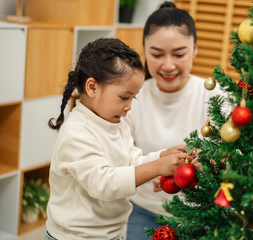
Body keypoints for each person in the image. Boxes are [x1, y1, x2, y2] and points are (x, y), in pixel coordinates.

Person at [45, 38, 190, 240]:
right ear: (92, 87)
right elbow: (104, 183)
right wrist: (157, 167)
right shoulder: (76, 132)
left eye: (134, 97)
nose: (129, 106)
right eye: (124, 97)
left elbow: (131, 161)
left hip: (114, 233)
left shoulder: (115, 123)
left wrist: (160, 158)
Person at [124, 2, 227, 239]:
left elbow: (238, 154)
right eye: (157, 54)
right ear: (144, 51)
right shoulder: (131, 98)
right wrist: (156, 169)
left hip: (201, 215)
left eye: (179, 54)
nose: (168, 65)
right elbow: (119, 158)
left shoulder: (216, 96)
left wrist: (210, 161)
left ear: (195, 49)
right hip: (143, 212)